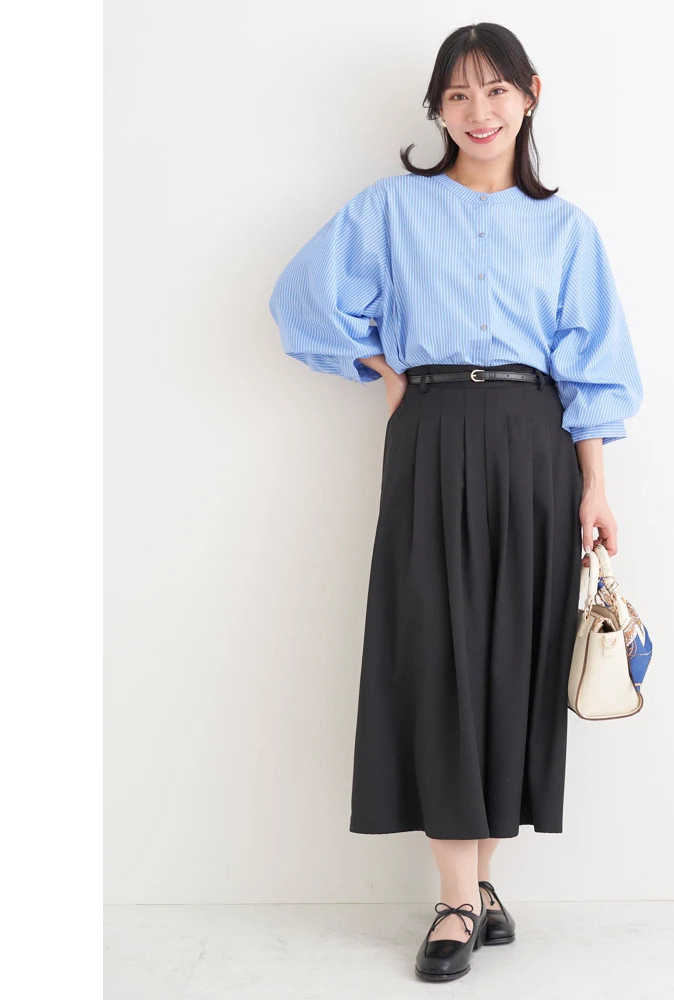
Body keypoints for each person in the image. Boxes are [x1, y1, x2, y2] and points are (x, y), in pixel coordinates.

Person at [268, 22, 644, 984]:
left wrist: (596, 487)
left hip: (533, 442)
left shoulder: (566, 231)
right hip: (431, 436)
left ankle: (478, 883)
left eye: (496, 90)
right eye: (458, 95)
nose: (479, 112)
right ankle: (454, 897)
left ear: (531, 94)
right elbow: (302, 300)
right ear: (437, 108)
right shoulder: (391, 208)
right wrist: (386, 370)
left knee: (511, 656)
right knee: (438, 652)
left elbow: (590, 365)